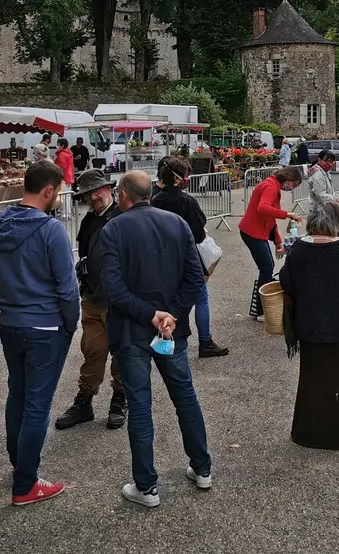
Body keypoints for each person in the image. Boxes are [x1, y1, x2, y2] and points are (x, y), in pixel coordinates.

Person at [101, 171, 211, 508]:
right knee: (185, 397)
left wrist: (153, 315)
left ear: (123, 195)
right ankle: (202, 467)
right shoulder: (176, 224)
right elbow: (196, 278)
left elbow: (112, 288)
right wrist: (170, 314)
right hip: (168, 329)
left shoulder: (113, 229)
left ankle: (147, 486)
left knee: (141, 407)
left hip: (134, 330)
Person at [0, 161, 79, 506]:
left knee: (18, 395)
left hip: (10, 322)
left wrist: (12, 302)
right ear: (50, 190)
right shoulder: (51, 230)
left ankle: (18, 464)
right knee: (37, 405)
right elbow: (67, 288)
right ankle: (25, 483)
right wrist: (70, 322)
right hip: (44, 325)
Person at [279, 201, 339, 449]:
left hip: (309, 326)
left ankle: (308, 432)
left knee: (311, 379)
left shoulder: (298, 249)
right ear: (335, 223)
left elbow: (286, 283)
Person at [54, 169, 127, 432]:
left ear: (110, 189)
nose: (93, 197)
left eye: (97, 190)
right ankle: (84, 401)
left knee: (122, 353)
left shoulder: (124, 217)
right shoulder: (88, 222)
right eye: (88, 193)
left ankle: (120, 398)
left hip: (120, 302)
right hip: (93, 298)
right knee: (92, 351)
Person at [151, 157, 229, 358]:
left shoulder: (155, 200)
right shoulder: (186, 201)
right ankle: (205, 341)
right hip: (187, 256)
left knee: (167, 298)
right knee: (201, 297)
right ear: (178, 179)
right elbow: (199, 232)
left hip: (162, 257)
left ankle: (166, 338)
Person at [238, 165, 305, 320]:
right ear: (288, 178)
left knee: (267, 267)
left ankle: (262, 307)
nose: (291, 188)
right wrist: (288, 214)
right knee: (267, 267)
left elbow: (270, 218)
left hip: (255, 231)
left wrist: (277, 241)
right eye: (293, 185)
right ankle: (262, 310)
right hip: (252, 232)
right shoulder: (270, 187)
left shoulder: (272, 185)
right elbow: (263, 208)